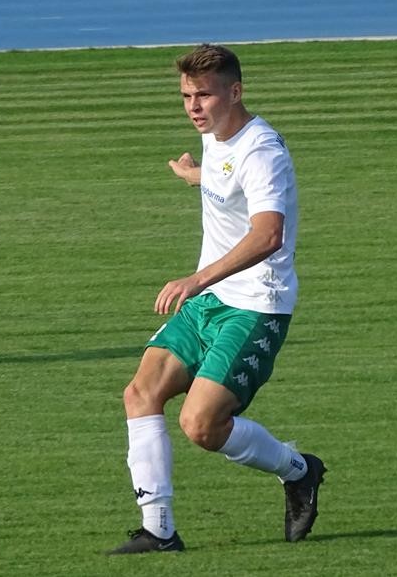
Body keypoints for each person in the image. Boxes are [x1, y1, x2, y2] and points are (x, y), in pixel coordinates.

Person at [109, 44, 325, 554]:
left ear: (236, 92)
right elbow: (228, 179)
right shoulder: (216, 135)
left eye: (203, 95)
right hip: (211, 300)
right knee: (140, 393)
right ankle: (159, 530)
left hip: (255, 305)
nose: (193, 107)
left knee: (201, 426)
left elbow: (268, 234)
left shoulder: (262, 151)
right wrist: (194, 175)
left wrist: (196, 279)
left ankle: (299, 470)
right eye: (186, 96)